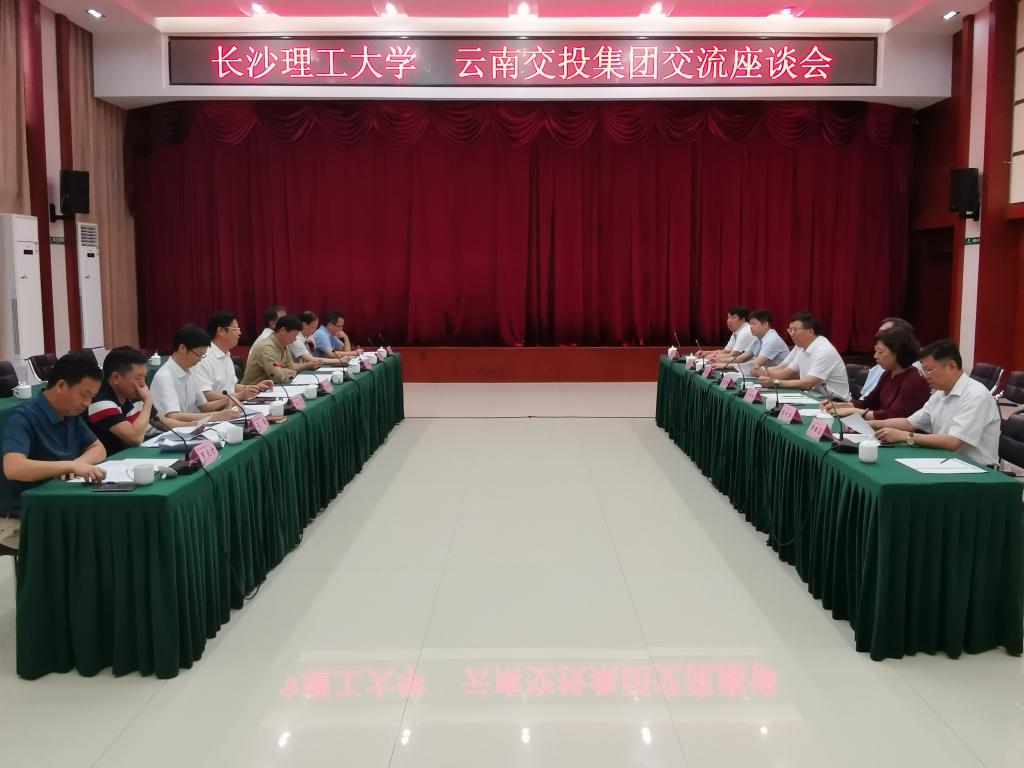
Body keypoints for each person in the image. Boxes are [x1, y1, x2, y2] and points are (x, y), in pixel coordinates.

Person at [1, 351, 108, 517]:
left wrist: (78, 464)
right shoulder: (23, 417)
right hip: (27, 514)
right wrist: (69, 466)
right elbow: (13, 468)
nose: (87, 403)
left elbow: (98, 448)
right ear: (61, 386)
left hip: (61, 502)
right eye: (84, 395)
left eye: (92, 397)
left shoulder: (69, 412)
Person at [870, 339, 1001, 466]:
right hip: (945, 461)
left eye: (929, 370)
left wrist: (905, 436)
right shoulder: (940, 393)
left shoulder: (975, 395)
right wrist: (870, 424)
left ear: (951, 366)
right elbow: (909, 423)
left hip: (975, 468)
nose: (925, 376)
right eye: (923, 370)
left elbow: (953, 442)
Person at [821, 328, 930, 420]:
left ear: (899, 352)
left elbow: (894, 416)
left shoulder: (914, 381)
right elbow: (867, 403)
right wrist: (840, 405)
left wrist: (854, 411)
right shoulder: (888, 373)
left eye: (880, 352)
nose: (875, 356)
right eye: (875, 351)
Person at [150, 324, 239, 424]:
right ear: (182, 348)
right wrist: (215, 416)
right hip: (169, 431)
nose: (200, 360)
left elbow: (204, 406)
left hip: (190, 428)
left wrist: (228, 400)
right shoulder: (164, 377)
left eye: (203, 356)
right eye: (199, 355)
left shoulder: (191, 371)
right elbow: (174, 416)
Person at [754, 311, 850, 399]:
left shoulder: (824, 350)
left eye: (794, 330)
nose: (791, 334)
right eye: (790, 330)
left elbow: (808, 383)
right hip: (812, 395)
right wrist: (763, 372)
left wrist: (775, 382)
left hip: (834, 401)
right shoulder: (803, 348)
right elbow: (786, 373)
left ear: (810, 332)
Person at [87, 346, 155, 455]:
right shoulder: (99, 401)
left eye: (144, 377)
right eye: (138, 378)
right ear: (116, 378)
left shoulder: (130, 393)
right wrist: (148, 401)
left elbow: (161, 420)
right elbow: (135, 438)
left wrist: (187, 425)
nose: (143, 384)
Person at [195, 310, 272, 405]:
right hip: (214, 411)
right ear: (221, 331)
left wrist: (255, 388)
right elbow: (205, 395)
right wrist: (239, 396)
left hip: (232, 407)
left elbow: (232, 387)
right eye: (235, 329)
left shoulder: (226, 354)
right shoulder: (203, 357)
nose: (240, 333)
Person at [858, 317, 916, 399]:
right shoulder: (887, 372)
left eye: (884, 333)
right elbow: (868, 400)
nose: (879, 336)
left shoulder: (911, 379)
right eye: (879, 332)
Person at [242, 314, 305, 385]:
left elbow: (292, 369)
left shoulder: (283, 344)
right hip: (253, 389)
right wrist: (282, 371)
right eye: (294, 335)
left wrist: (282, 370)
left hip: (271, 387)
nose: (295, 339)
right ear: (283, 330)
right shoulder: (267, 347)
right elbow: (278, 376)